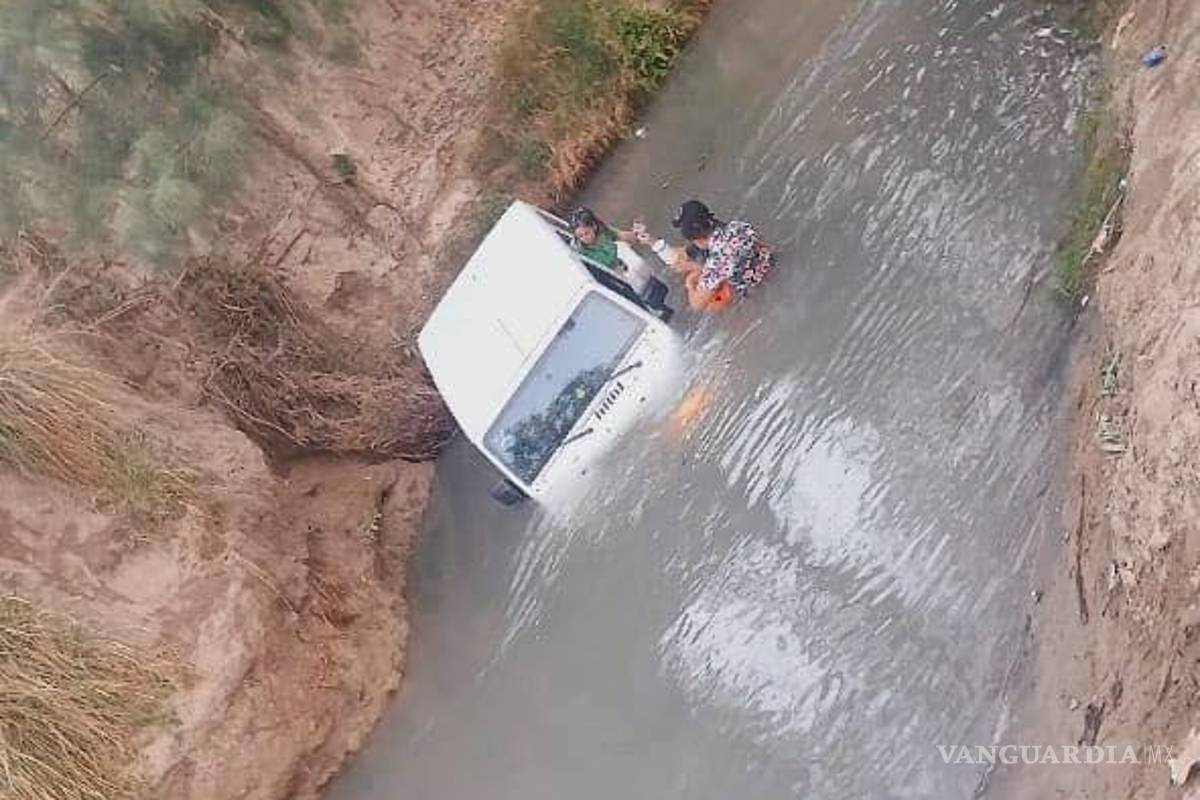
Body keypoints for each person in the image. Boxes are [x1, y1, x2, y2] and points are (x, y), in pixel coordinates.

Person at [669, 199, 775, 311]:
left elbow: (697, 304)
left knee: (716, 307)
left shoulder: (715, 264)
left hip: (759, 292)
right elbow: (763, 246)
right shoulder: (737, 226)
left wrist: (689, 282)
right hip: (772, 266)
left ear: (695, 240)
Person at [569, 207, 640, 271]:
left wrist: (637, 234)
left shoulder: (603, 231)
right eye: (580, 236)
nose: (584, 238)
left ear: (594, 226)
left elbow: (620, 235)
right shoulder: (580, 251)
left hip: (620, 263)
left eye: (587, 233)